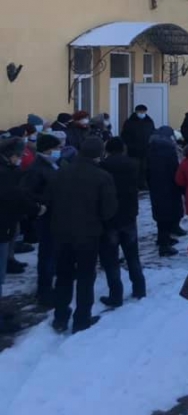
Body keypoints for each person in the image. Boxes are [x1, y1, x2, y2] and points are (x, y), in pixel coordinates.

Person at [49, 137, 117, 333]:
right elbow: (108, 210)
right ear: (99, 154)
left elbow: (50, 199)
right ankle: (82, 318)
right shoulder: (102, 176)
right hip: (89, 234)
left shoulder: (61, 172)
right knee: (86, 277)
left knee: (63, 275)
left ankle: (60, 317)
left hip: (61, 232)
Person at [0, 138, 46, 333]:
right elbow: (15, 197)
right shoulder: (4, 174)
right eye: (18, 155)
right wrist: (36, 208)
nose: (20, 159)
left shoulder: (8, 171)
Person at [98, 138, 146, 307]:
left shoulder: (102, 166)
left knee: (111, 259)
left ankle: (115, 295)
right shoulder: (134, 164)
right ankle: (139, 288)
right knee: (132, 254)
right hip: (129, 214)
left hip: (109, 217)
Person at [19, 133, 62, 307]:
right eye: (57, 148)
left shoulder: (53, 164)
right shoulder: (37, 168)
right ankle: (44, 292)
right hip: (46, 217)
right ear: (48, 149)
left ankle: (50, 285)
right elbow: (27, 193)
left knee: (53, 252)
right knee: (47, 254)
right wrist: (41, 205)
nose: (60, 151)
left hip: (57, 215)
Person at [147, 126, 185, 256]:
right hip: (169, 186)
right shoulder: (168, 150)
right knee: (166, 214)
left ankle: (163, 238)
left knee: (161, 214)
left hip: (156, 187)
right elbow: (175, 169)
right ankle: (164, 245)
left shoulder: (152, 148)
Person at [121, 104, 156, 190]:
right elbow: (124, 135)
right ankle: (134, 184)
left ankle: (143, 184)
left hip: (146, 149)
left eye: (143, 112)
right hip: (133, 150)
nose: (142, 113)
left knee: (144, 168)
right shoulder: (129, 122)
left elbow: (152, 133)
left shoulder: (149, 121)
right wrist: (130, 145)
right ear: (136, 112)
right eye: (140, 112)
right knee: (134, 167)